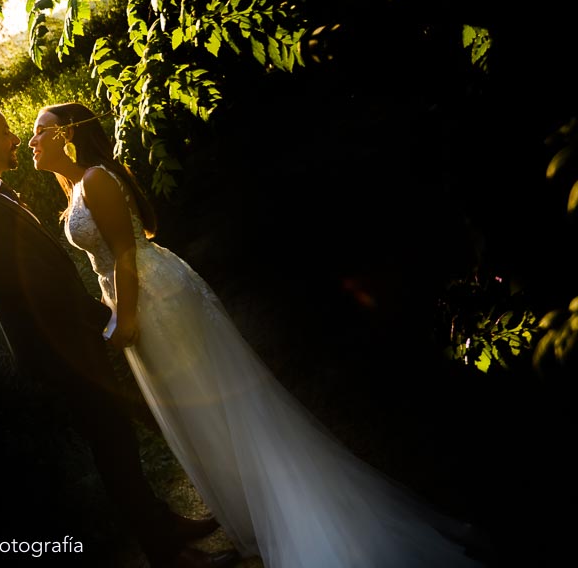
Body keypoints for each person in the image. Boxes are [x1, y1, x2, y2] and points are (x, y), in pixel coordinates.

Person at [28, 101, 488, 568]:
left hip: (156, 301)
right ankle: (258, 509)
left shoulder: (97, 180)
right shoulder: (77, 188)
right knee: (204, 413)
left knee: (216, 404)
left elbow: (126, 254)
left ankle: (289, 511)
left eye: (40, 131)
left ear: (67, 134)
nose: (33, 142)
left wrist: (124, 321)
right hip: (140, 301)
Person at [0, 90, 237, 568]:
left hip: (68, 341)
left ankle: (164, 523)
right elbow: (43, 296)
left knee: (118, 438)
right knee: (115, 448)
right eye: (4, 133)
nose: (16, 138)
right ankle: (170, 555)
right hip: (60, 350)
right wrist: (112, 321)